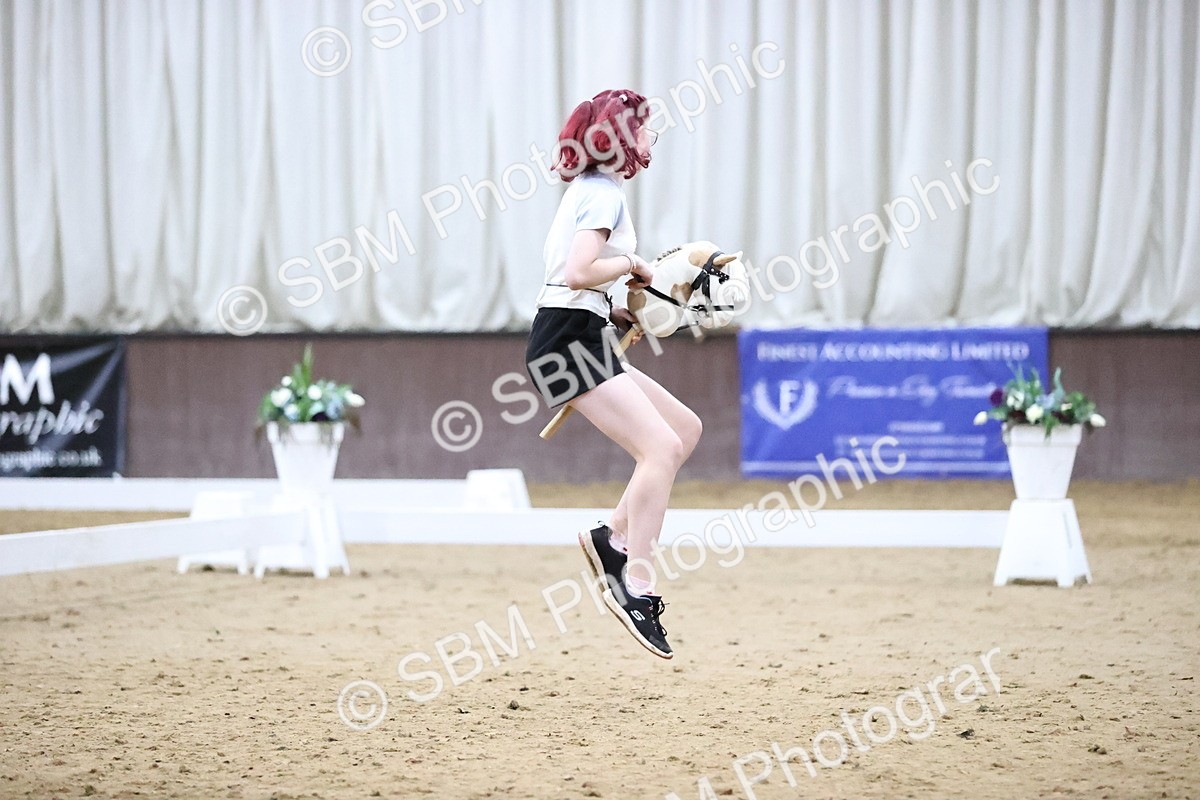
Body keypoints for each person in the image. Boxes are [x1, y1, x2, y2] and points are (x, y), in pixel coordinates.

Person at [524, 89, 702, 660]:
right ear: (621, 137)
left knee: (686, 429)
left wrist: (621, 307)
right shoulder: (603, 196)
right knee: (659, 448)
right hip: (566, 339)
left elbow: (574, 279)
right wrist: (633, 265)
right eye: (646, 129)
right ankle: (636, 584)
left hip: (579, 329)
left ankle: (611, 538)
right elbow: (579, 270)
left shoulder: (594, 191)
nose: (652, 137)